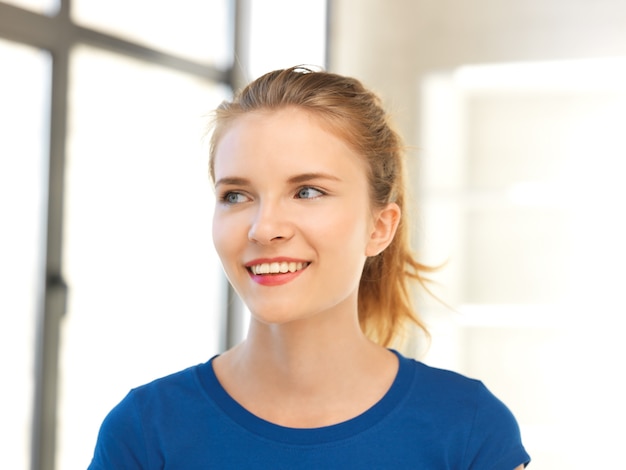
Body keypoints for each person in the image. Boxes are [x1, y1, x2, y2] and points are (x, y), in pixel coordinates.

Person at [88, 66, 530, 469]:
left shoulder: (469, 429)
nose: (264, 228)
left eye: (307, 192)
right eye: (236, 196)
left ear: (380, 226)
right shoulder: (145, 432)